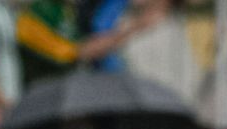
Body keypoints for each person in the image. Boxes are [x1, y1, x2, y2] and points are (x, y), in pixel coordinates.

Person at [14, 0, 151, 85]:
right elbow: (77, 52)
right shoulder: (40, 10)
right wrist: (135, 27)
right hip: (37, 93)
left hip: (62, 92)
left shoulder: (68, 12)